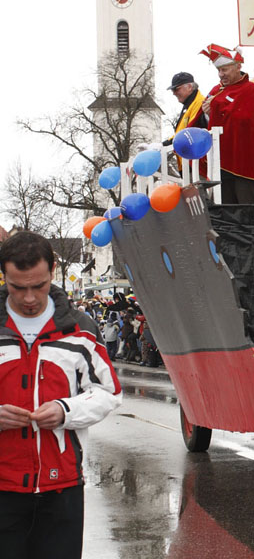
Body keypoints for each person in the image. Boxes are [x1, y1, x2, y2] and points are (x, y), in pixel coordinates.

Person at [0, 231, 122, 559]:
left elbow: (109, 392)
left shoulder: (80, 328)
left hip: (62, 486)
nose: (28, 298)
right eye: (17, 287)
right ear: (4, 277)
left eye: (37, 286)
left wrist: (65, 410)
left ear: (52, 270)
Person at [200, 43, 254, 204]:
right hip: (221, 161)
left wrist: (217, 106)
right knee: (225, 207)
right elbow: (207, 122)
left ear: (238, 66)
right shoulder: (216, 91)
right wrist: (209, 114)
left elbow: (246, 120)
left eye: (224, 69)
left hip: (244, 162)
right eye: (219, 70)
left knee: (247, 205)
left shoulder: (251, 90)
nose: (220, 74)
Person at [163, 72, 208, 175]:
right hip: (188, 163)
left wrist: (165, 145)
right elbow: (181, 132)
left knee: (198, 191)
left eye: (176, 89)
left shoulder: (198, 103)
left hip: (196, 164)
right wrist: (163, 145)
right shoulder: (189, 104)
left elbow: (189, 132)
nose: (173, 93)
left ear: (189, 87)